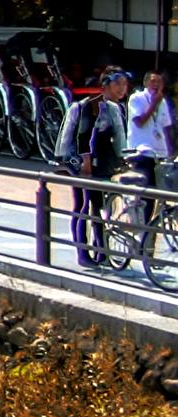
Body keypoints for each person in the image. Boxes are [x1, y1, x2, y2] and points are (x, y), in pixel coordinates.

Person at [56, 72, 133, 268]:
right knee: (83, 203)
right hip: (79, 158)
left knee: (99, 205)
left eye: (124, 84)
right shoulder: (83, 107)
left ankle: (101, 250)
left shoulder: (114, 109)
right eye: (117, 84)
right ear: (104, 87)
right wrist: (83, 161)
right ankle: (83, 252)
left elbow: (120, 137)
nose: (122, 89)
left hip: (102, 158)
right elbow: (78, 137)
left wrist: (125, 158)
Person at [130, 69, 174, 192]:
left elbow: (166, 127)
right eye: (153, 81)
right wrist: (154, 103)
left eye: (159, 82)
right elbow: (139, 122)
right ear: (146, 83)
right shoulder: (137, 98)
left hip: (160, 152)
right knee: (146, 190)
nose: (156, 85)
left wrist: (170, 148)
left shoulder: (163, 101)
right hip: (143, 151)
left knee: (160, 190)